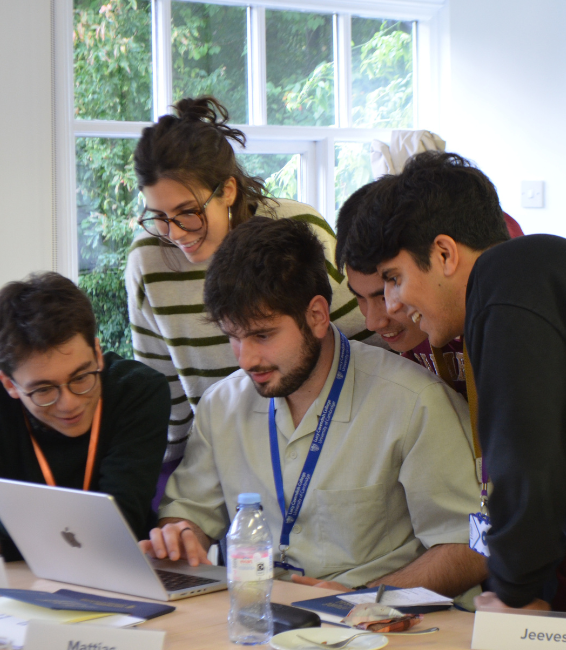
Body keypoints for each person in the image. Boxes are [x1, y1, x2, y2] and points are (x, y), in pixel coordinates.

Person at [140, 216, 488, 597]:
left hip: (375, 627)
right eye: (233, 337)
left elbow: (470, 549)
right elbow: (188, 513)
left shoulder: (414, 403)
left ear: (317, 316)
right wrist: (180, 535)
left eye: (263, 335)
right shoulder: (220, 406)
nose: (246, 359)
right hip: (254, 618)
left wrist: (363, 597)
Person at [342, 150, 566, 611]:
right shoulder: (530, 271)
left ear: (443, 253)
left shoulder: (507, 284)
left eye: (394, 278)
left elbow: (526, 457)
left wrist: (514, 596)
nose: (393, 303)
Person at [124, 96, 376, 492]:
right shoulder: (148, 261)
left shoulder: (296, 227)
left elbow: (370, 345)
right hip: (227, 458)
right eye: (158, 216)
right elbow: (165, 394)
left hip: (335, 445)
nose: (175, 233)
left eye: (188, 212)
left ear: (227, 189)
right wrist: (172, 497)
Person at [0, 272, 170, 561]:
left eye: (81, 377)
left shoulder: (138, 391)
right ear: (9, 384)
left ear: (97, 353)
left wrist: (1, 546)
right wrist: (61, 528)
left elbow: (119, 522)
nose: (68, 404)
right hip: (23, 581)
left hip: (121, 570)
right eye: (43, 390)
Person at [335, 180, 524, 400]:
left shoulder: (514, 308)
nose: (373, 323)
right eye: (360, 297)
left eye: (394, 280)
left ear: (441, 257)